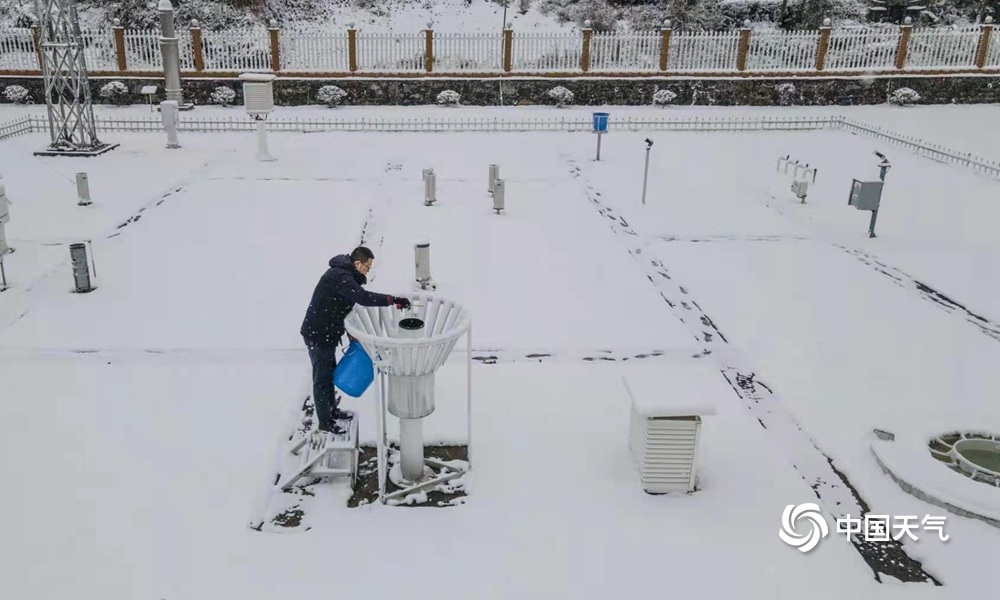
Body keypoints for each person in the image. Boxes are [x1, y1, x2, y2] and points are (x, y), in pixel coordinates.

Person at [301, 246, 411, 434]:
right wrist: (393, 300)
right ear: (357, 263)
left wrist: (348, 332)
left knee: (328, 374)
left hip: (326, 333)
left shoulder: (344, 276)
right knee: (322, 379)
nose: (368, 270)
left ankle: (332, 412)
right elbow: (363, 297)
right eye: (367, 267)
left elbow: (337, 306)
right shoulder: (341, 277)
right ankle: (325, 423)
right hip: (318, 334)